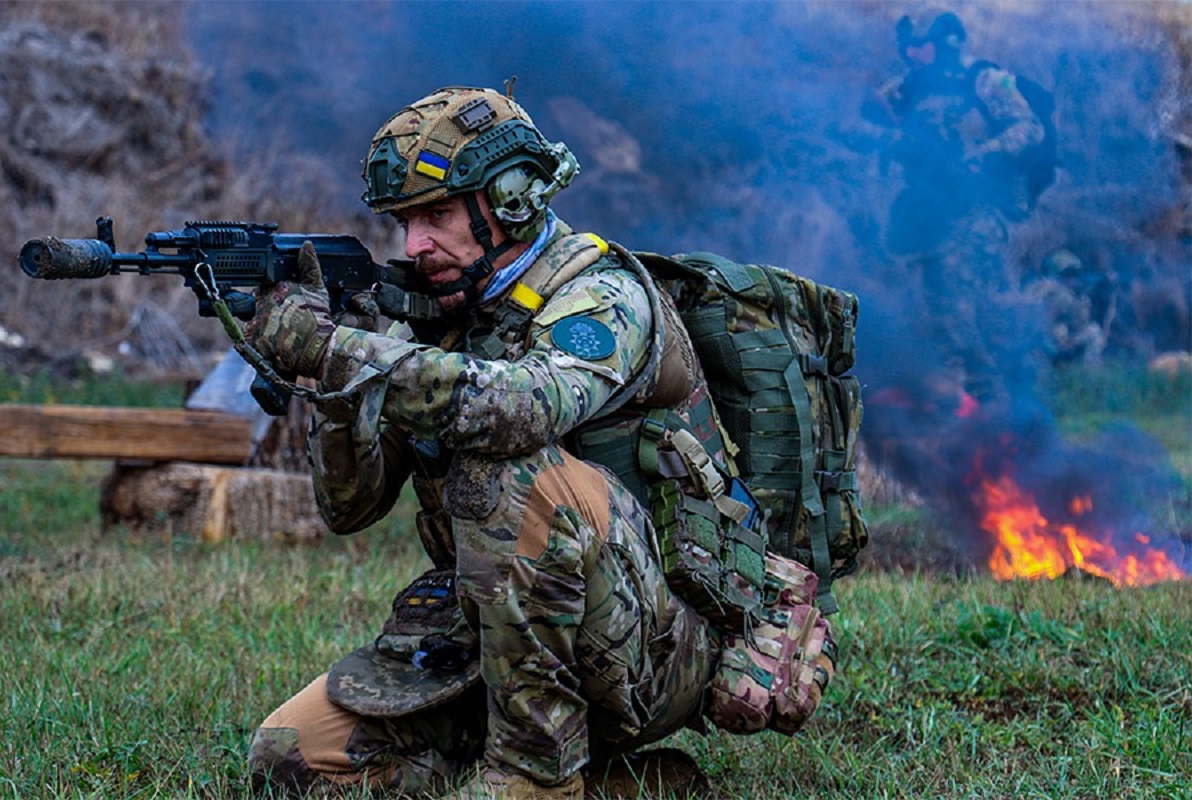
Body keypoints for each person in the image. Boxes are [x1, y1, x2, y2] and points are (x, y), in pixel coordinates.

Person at [242, 86, 835, 799]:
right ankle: (619, 786)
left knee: (504, 471)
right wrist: (338, 380)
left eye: (436, 216)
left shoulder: (604, 296)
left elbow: (519, 410)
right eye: (403, 223)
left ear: (513, 200)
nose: (414, 246)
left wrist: (340, 352)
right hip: (498, 638)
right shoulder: (438, 319)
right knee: (291, 757)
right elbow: (349, 507)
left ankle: (538, 778)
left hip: (656, 647)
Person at [862, 8, 1048, 402]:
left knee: (975, 314)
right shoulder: (905, 88)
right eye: (907, 47)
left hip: (975, 210)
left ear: (946, 43)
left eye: (920, 45)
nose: (912, 54)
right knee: (933, 310)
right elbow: (870, 124)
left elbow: (1030, 128)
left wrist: (984, 154)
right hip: (927, 212)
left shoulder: (983, 79)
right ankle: (962, 402)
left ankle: (1004, 402)